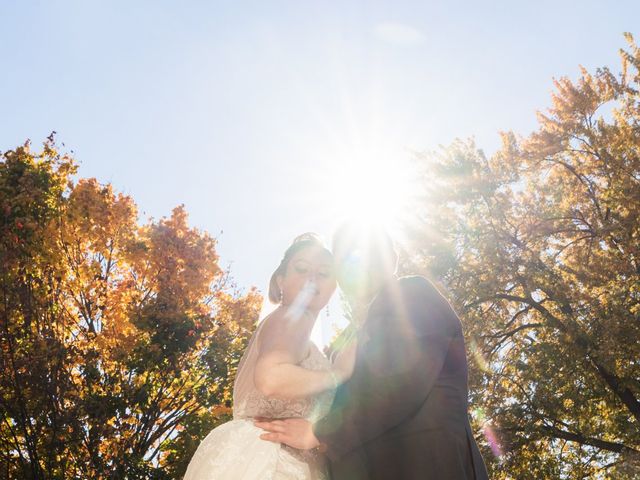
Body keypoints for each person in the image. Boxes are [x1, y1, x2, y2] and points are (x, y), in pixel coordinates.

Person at [256, 223, 490, 479]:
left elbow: (401, 379)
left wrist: (318, 433)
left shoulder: (412, 294)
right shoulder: (344, 341)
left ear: (392, 259)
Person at [184, 233, 355, 480]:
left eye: (324, 273)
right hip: (270, 462)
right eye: (302, 268)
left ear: (333, 287)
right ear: (280, 281)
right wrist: (337, 374)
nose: (312, 278)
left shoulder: (294, 333)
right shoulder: (292, 317)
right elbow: (271, 377)